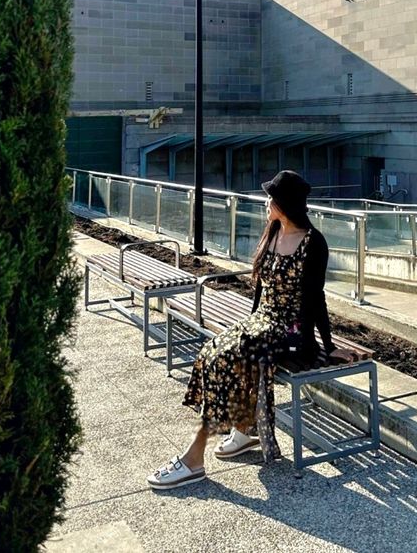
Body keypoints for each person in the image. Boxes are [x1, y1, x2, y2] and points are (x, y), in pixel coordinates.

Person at [147, 170, 354, 490]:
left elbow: (316, 298)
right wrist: (249, 322)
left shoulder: (314, 243)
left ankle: (194, 457)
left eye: (272, 197)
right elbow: (260, 288)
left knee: (228, 360)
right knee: (212, 350)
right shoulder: (273, 233)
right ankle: (243, 429)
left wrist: (326, 346)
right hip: (263, 321)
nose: (267, 202)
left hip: (290, 328)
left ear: (285, 203)